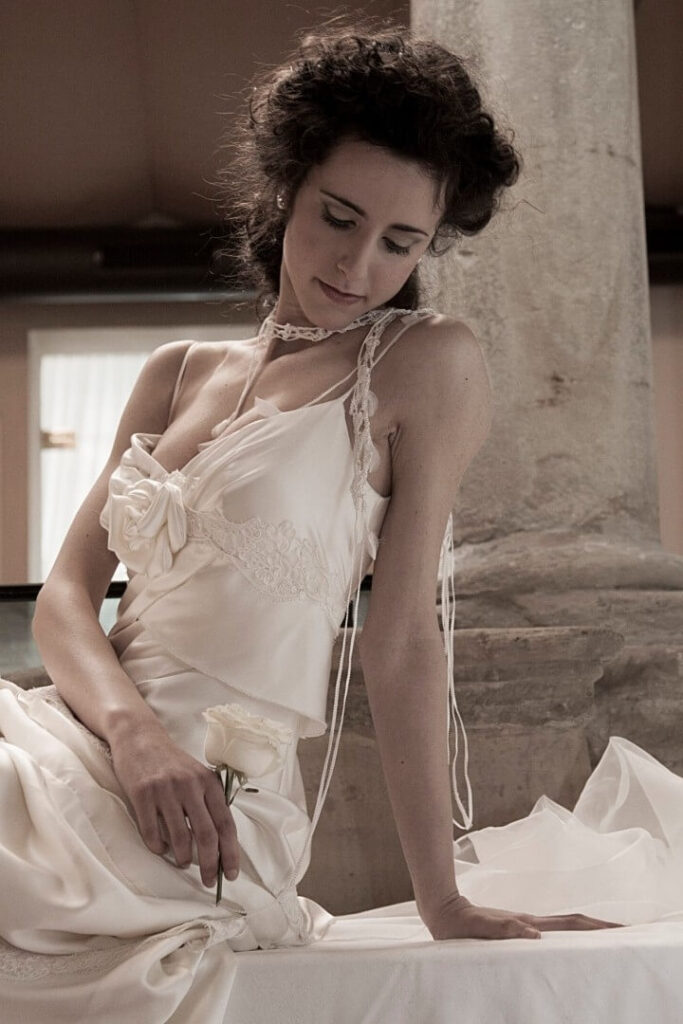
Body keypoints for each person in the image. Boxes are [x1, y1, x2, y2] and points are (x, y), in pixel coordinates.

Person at [0, 19, 630, 1023]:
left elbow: (401, 636)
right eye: (338, 217)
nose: (359, 264)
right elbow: (65, 598)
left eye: (399, 242)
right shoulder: (175, 373)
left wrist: (441, 897)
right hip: (84, 743)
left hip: (208, 816)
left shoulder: (422, 363)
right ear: (286, 188)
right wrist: (131, 734)